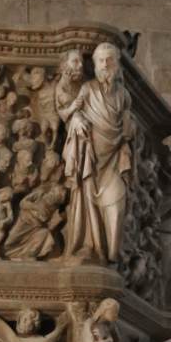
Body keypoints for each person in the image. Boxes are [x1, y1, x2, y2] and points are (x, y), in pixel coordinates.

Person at [62, 42, 134, 262]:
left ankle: (112, 253)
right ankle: (89, 246)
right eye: (101, 60)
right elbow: (69, 112)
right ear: (94, 65)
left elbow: (129, 126)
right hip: (91, 158)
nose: (105, 64)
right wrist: (74, 118)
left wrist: (130, 127)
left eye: (109, 59)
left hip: (113, 160)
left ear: (117, 64)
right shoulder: (88, 89)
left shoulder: (124, 95)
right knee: (87, 202)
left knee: (117, 203)